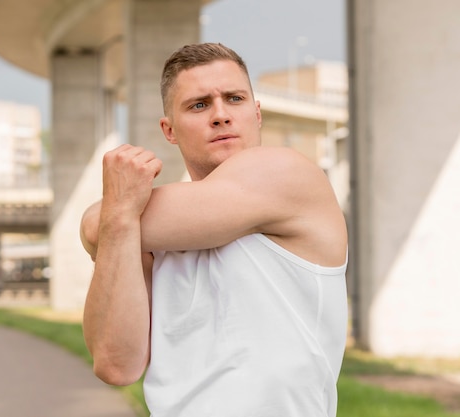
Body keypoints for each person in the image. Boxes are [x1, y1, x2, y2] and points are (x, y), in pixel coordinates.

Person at [80, 42, 348, 417]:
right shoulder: (141, 230)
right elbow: (116, 365)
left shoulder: (285, 173)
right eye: (199, 105)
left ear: (257, 114)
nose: (220, 115)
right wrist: (121, 222)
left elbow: (94, 223)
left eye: (234, 99)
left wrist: (117, 213)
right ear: (169, 130)